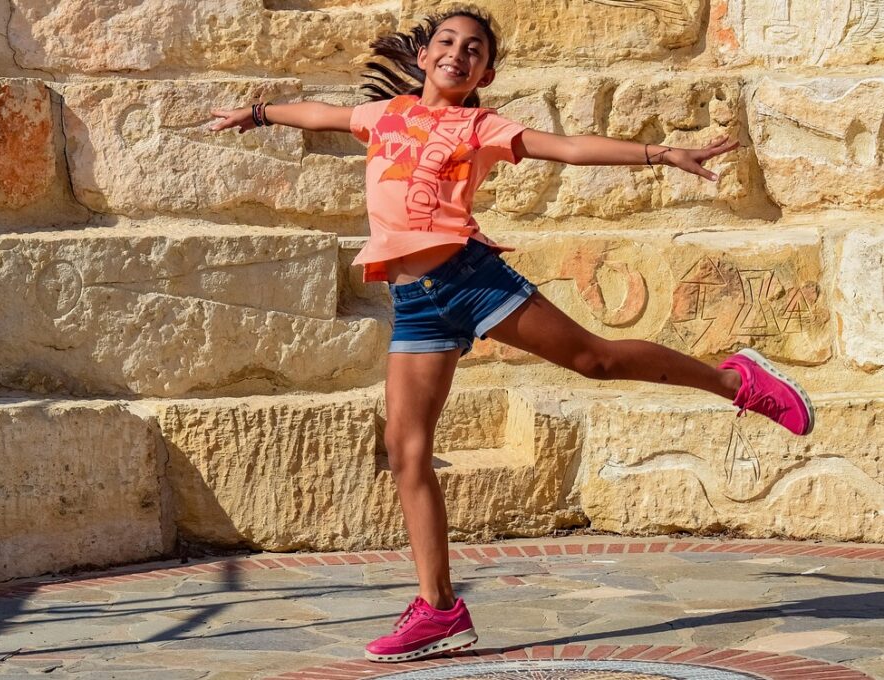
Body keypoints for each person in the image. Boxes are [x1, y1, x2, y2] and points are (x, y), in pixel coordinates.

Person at [210, 5, 815, 664]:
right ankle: (440, 610)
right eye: (447, 42)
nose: (458, 53)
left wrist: (660, 153)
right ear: (424, 56)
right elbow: (319, 114)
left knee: (595, 360)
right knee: (407, 452)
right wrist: (259, 113)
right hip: (415, 305)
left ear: (486, 74)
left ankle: (735, 380)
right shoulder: (382, 117)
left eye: (474, 49)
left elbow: (570, 148)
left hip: (471, 280)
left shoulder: (481, 126)